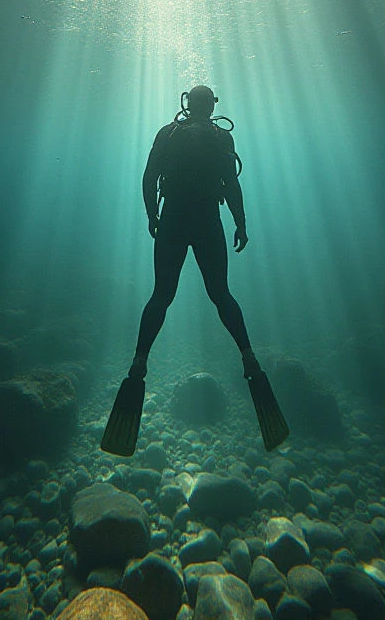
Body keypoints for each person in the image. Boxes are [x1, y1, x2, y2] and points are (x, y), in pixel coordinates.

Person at [101, 85, 288, 456]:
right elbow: (231, 183)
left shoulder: (167, 133)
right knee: (221, 294)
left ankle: (139, 363)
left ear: (187, 105)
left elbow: (148, 176)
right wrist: (241, 222)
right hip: (207, 220)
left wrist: (152, 215)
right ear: (213, 106)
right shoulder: (221, 136)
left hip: (173, 219)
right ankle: (248, 355)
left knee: (161, 295)